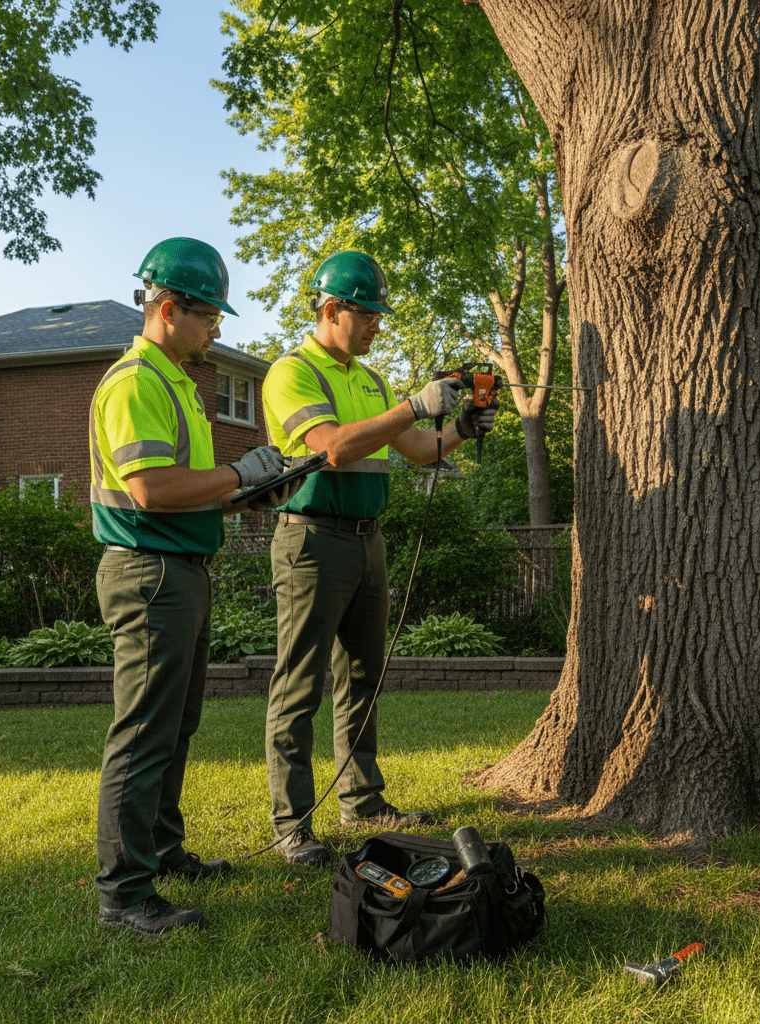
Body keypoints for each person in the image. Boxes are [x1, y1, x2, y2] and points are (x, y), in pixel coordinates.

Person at [90, 237, 302, 934]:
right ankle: (124, 896)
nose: (218, 328)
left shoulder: (177, 380)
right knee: (144, 731)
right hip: (150, 573)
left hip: (180, 568)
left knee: (175, 725)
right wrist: (241, 473)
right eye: (210, 314)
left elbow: (190, 493)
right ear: (169, 307)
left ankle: (162, 852)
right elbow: (151, 490)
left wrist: (256, 493)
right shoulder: (136, 383)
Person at [261, 250, 497, 866]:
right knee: (299, 684)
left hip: (368, 540)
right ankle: (292, 825)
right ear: (333, 309)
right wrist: (413, 405)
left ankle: (362, 801)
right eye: (367, 315)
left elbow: (419, 448)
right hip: (311, 540)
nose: (375, 327)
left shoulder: (370, 381)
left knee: (364, 676)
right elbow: (333, 449)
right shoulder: (292, 373)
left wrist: (463, 428)